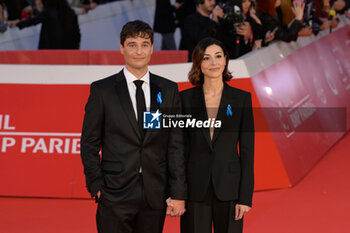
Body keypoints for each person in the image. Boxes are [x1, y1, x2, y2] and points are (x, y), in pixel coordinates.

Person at [80, 20, 187, 233]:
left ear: (152, 49)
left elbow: (175, 144)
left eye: (145, 44)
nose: (139, 51)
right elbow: (89, 142)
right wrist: (97, 186)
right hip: (114, 192)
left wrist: (178, 193)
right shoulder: (102, 90)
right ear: (121, 48)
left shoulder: (168, 89)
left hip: (154, 192)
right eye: (132, 44)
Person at [180, 37, 255, 233]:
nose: (213, 63)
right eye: (206, 58)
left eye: (218, 56)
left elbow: (247, 151)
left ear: (225, 60)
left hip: (230, 188)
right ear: (198, 63)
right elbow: (179, 149)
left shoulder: (242, 99)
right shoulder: (184, 100)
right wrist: (177, 192)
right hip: (194, 189)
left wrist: (245, 197)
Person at [9, 0, 81, 49]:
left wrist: (18, 23)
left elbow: (33, 20)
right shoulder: (71, 13)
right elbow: (77, 36)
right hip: (68, 50)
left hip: (50, 51)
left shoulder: (48, 11)